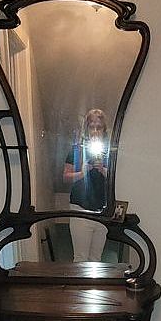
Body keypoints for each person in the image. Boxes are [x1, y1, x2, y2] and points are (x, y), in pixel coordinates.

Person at [63, 108, 109, 262]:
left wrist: (103, 170)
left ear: (104, 130)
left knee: (96, 259)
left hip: (102, 209)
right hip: (80, 208)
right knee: (81, 258)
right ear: (86, 129)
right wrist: (83, 173)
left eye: (99, 127)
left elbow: (120, 180)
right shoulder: (77, 150)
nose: (95, 131)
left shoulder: (110, 152)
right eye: (91, 127)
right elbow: (65, 177)